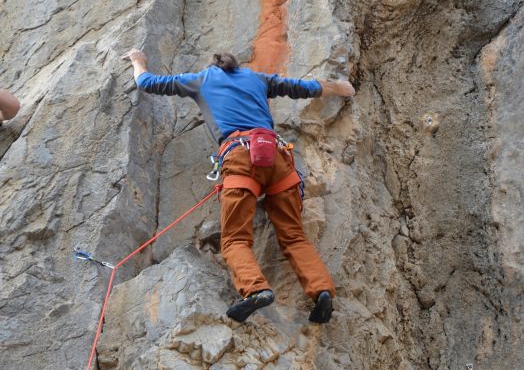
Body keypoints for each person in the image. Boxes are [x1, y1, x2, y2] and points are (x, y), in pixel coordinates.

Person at [121, 48, 354, 323]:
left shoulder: (201, 80)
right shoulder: (257, 79)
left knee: (234, 239)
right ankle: (322, 291)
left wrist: (139, 60)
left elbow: (147, 83)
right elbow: (302, 88)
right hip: (277, 158)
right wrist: (340, 88)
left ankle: (256, 290)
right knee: (293, 235)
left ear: (214, 66)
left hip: (241, 158)